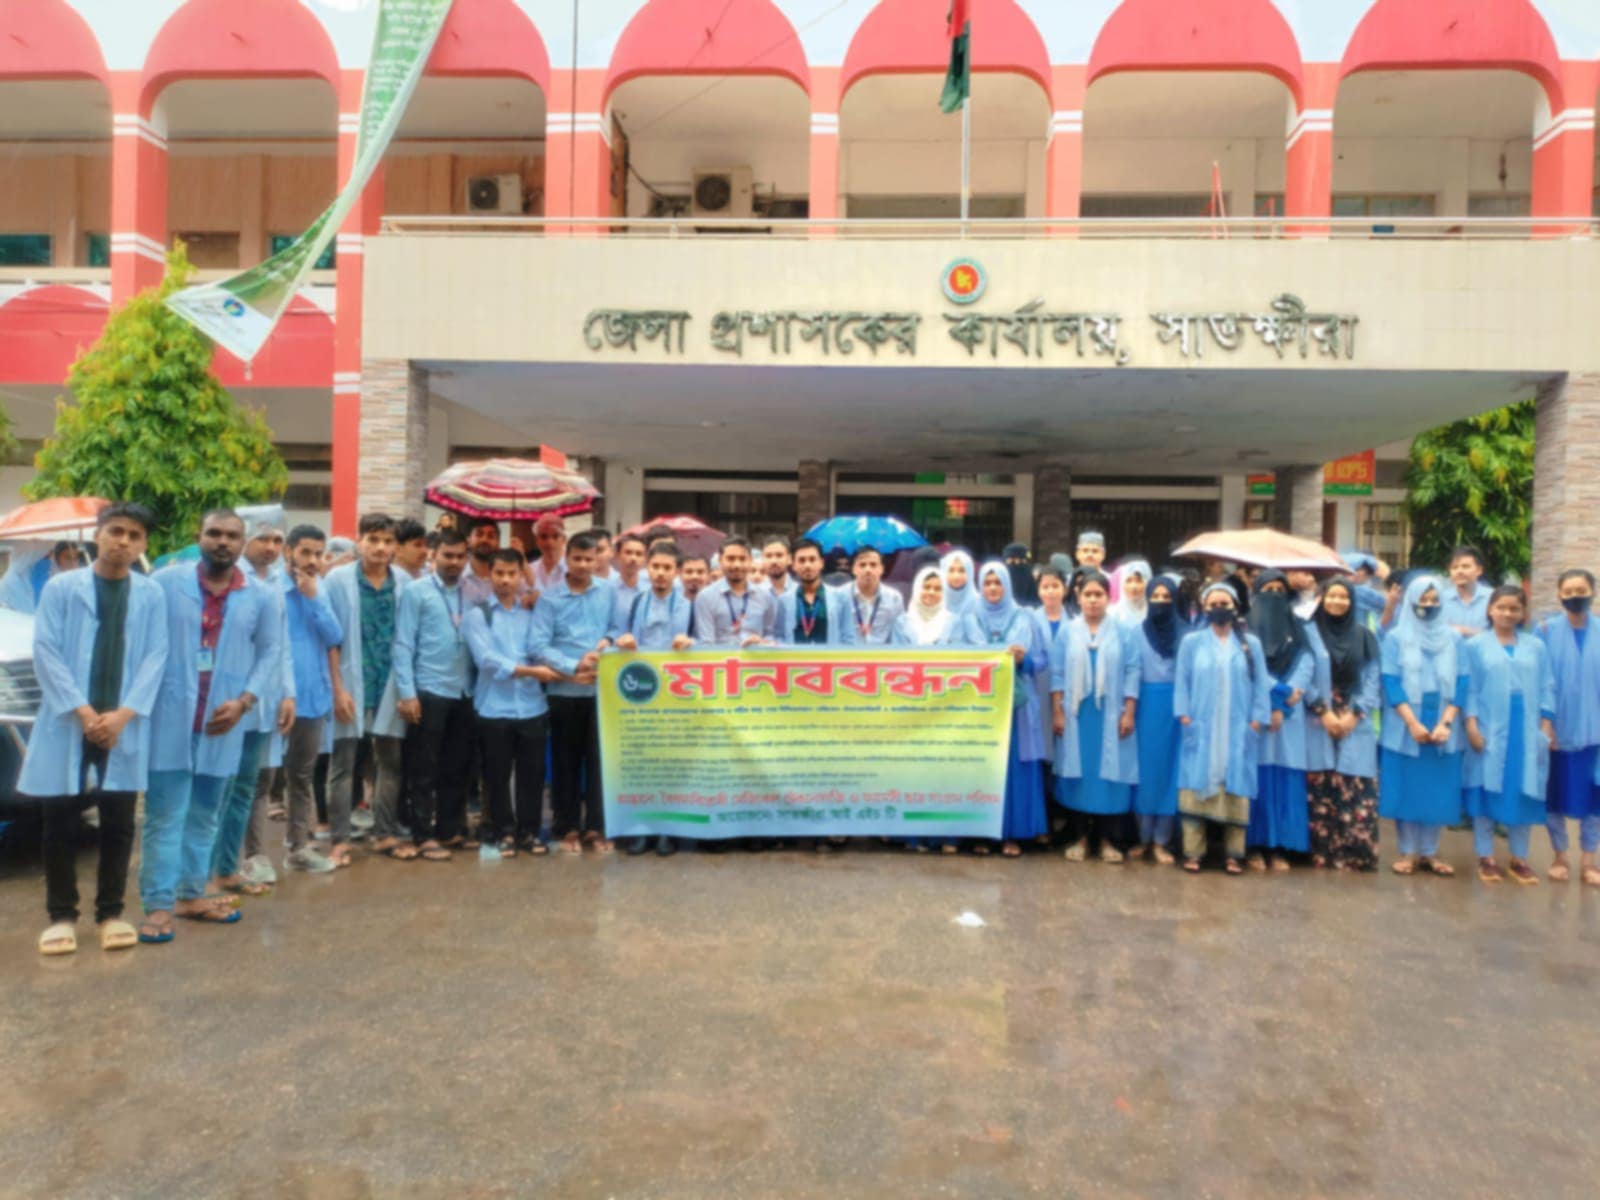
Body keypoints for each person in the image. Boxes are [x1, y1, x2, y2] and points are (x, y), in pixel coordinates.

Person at [28, 503, 167, 956]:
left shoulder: (150, 594)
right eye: (115, 531)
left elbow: (156, 656)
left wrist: (124, 714)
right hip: (70, 720)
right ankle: (61, 917)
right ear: (97, 534)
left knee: (119, 823)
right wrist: (86, 713)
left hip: (122, 725)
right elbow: (46, 651)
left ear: (143, 544)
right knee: (59, 822)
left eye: (134, 535)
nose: (123, 541)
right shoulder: (61, 588)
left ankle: (110, 913)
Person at [142, 509, 281, 942]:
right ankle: (158, 905)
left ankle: (190, 894)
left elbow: (271, 652)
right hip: (170, 719)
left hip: (224, 722)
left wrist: (244, 702)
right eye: (214, 533)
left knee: (205, 814)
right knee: (165, 816)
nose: (223, 541)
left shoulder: (260, 596)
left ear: (242, 543)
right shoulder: (166, 583)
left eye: (232, 535)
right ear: (199, 536)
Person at [209, 515, 298, 894]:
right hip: (228, 702)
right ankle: (204, 874)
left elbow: (280, 645)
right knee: (218, 788)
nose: (271, 547)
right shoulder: (230, 578)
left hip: (264, 702)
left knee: (246, 787)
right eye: (263, 539)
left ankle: (229, 868)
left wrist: (288, 693)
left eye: (278, 540)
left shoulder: (277, 581)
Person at [326, 514, 412, 860]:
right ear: (359, 541)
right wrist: (337, 689)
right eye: (373, 539)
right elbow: (330, 639)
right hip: (351, 680)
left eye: (388, 541)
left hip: (390, 681)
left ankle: (384, 833)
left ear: (396, 547)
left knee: (390, 761)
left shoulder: (404, 582)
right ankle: (339, 838)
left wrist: (408, 689)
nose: (380, 548)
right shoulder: (338, 580)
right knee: (343, 763)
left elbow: (408, 637)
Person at [259, 525, 344, 873]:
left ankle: (298, 848)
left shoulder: (319, 589)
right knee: (262, 778)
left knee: (302, 776)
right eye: (305, 552)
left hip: (312, 696)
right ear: (289, 552)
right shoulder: (270, 589)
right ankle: (252, 856)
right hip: (274, 698)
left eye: (318, 554)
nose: (312, 560)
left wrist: (314, 598)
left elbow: (335, 636)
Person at [1173, 582, 1272, 875]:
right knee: (1196, 783)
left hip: (1238, 727)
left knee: (1236, 784)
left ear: (1235, 607)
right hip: (1201, 726)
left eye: (1224, 604)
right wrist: (1184, 716)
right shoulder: (1191, 642)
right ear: (1204, 607)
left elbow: (1261, 684)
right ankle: (1193, 852)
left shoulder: (1250, 644)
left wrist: (1257, 720)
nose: (1219, 609)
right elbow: (1182, 682)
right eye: (1213, 604)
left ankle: (1234, 854)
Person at [464, 548, 555, 859]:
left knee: (533, 775)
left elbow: (541, 649)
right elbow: (486, 660)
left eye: (512, 573)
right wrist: (530, 672)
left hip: (532, 706)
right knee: (497, 775)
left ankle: (529, 831)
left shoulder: (532, 612)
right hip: (494, 708)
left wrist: (571, 669)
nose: (505, 580)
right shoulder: (478, 615)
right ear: (489, 574)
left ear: (521, 576)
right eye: (499, 573)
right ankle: (504, 830)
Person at [529, 531, 616, 853]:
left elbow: (616, 629)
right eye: (576, 558)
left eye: (588, 559)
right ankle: (566, 827)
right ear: (567, 559)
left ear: (597, 560)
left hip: (600, 693)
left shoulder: (607, 591)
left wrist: (607, 643)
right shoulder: (550, 599)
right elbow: (537, 646)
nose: (582, 564)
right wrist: (573, 665)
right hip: (563, 691)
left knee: (599, 762)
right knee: (565, 763)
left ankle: (596, 826)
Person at [1464, 585, 1556, 885]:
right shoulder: (1475, 646)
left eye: (1514, 608)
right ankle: (1486, 857)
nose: (1507, 613)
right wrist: (1471, 725)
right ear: (1490, 609)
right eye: (1501, 607)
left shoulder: (1536, 646)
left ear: (1523, 612)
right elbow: (1469, 689)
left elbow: (1547, 686)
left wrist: (1546, 726)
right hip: (1489, 726)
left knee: (1524, 789)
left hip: (1527, 729)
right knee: (1485, 790)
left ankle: (1520, 858)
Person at [1378, 574, 1468, 878]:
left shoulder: (1454, 639)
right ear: (1411, 601)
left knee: (1436, 786)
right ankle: (1407, 851)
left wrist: (1446, 722)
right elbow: (1390, 682)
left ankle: (1430, 852)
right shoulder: (1396, 638)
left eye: (1434, 600)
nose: (1428, 605)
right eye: (1422, 599)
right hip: (1405, 720)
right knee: (1406, 786)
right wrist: (1412, 723)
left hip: (1443, 718)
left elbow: (1462, 682)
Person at [393, 527, 475, 859]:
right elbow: (403, 643)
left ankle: (449, 829)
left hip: (465, 690)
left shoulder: (472, 592)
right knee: (423, 768)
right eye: (447, 555)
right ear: (434, 555)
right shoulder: (416, 592)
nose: (454, 562)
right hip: (429, 689)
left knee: (456, 767)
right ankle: (422, 834)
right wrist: (407, 692)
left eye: (460, 556)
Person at [611, 543, 695, 856]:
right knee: (642, 764)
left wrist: (690, 642)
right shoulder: (636, 602)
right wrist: (623, 641)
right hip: (642, 692)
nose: (660, 574)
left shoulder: (688, 605)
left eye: (667, 568)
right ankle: (641, 829)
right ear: (648, 567)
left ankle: (667, 830)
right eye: (656, 567)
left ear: (677, 572)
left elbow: (703, 644)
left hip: (675, 693)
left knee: (670, 764)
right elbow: (619, 637)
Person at [1051, 570, 1139, 864]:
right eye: (1087, 594)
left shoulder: (1123, 631)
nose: (1092, 600)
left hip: (1111, 715)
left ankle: (1106, 840)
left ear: (1108, 597)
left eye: (1098, 594)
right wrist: (1057, 712)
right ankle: (1079, 837)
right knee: (1079, 775)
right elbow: (1057, 674)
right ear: (1078, 597)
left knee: (1110, 778)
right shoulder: (1068, 632)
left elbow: (1133, 671)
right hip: (1077, 715)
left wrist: (1129, 712)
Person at [962, 562, 1049, 857]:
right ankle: (983, 834)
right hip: (982, 706)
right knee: (984, 767)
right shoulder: (970, 618)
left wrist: (1024, 660)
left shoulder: (1025, 617)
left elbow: (1042, 660)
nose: (993, 588)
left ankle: (1014, 833)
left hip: (1018, 707)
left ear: (1007, 585)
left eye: (998, 582)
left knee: (1015, 767)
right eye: (987, 583)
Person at [1303, 578, 1381, 871]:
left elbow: (1373, 678)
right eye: (1332, 595)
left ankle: (1355, 854)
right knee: (1320, 781)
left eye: (1344, 597)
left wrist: (1354, 713)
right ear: (1322, 599)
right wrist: (1323, 711)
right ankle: (1321, 852)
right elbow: (1303, 674)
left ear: (1352, 602)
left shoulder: (1364, 636)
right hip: (1318, 715)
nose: (1337, 602)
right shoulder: (1308, 633)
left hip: (1354, 715)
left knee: (1354, 781)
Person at [1245, 570, 1313, 872]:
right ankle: (1254, 847)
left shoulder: (1300, 628)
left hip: (1289, 720)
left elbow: (1307, 663)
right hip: (1257, 715)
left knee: (1285, 780)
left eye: (1279, 589)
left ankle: (1281, 847)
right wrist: (1273, 703)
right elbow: (1251, 669)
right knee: (1256, 780)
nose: (1273, 595)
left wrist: (1282, 706)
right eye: (1267, 589)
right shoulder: (1244, 629)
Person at [1537, 569, 1600, 885]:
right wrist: (1545, 724)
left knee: (1594, 799)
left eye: (1581, 590)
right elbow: (1539, 681)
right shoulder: (1545, 631)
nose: (1576, 596)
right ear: (1559, 595)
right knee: (1555, 797)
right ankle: (1560, 856)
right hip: (1557, 731)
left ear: (1593, 592)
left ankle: (1589, 862)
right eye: (1569, 591)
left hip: (1595, 733)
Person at [1128, 575, 1183, 864]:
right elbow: (1131, 671)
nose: (1161, 602)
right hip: (1145, 707)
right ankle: (1142, 837)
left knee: (1170, 772)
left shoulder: (1186, 634)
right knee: (1145, 772)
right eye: (1156, 597)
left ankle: (1162, 840)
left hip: (1176, 709)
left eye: (1167, 597)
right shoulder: (1136, 632)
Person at [693, 537, 773, 648]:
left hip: (755, 657)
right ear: (720, 561)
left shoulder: (765, 596)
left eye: (742, 559)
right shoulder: (705, 597)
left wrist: (762, 642)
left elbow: (771, 635)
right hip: (720, 658)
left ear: (750, 560)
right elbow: (706, 642)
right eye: (730, 559)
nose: (736, 565)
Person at [774, 537, 852, 646]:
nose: (807, 565)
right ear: (793, 565)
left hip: (829, 657)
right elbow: (779, 637)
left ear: (821, 563)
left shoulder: (840, 598)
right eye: (801, 560)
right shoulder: (784, 600)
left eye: (812, 559)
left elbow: (848, 638)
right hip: (795, 657)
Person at [847, 547, 904, 645]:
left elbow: (899, 634)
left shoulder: (894, 598)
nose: (868, 570)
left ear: (882, 569)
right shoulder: (841, 596)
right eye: (862, 565)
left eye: (873, 565)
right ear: (853, 569)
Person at [892, 565, 959, 646]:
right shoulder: (901, 623)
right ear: (917, 589)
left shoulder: (954, 623)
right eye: (926, 587)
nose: (931, 592)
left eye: (937, 589)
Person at [1441, 545, 1492, 638]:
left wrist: (1466, 631)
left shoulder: (1492, 598)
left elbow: (1502, 634)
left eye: (1465, 567)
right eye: (1454, 567)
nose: (1459, 571)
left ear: (1479, 570)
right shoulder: (1440, 600)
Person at [457, 517, 501, 606]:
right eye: (479, 534)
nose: (484, 540)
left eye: (491, 536)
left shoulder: (505, 578)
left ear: (498, 543)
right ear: (468, 540)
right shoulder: (457, 576)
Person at [611, 532, 648, 615]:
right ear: (617, 555)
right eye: (628, 552)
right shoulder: (608, 589)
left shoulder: (651, 589)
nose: (633, 558)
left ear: (645, 559)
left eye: (639, 554)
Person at [530, 514, 567, 596]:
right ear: (537, 541)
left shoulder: (573, 569)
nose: (549, 542)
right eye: (544, 537)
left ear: (564, 539)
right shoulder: (531, 569)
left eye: (555, 536)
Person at [1110, 560, 1151, 627]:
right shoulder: (1112, 614)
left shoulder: (1154, 614)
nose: (1133, 587)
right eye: (1128, 581)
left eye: (1139, 581)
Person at [941, 550, 978, 620]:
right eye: (951, 570)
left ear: (970, 573)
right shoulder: (936, 600)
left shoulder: (979, 604)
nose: (956, 576)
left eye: (962, 571)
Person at [680, 554, 710, 639]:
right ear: (680, 574)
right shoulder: (673, 605)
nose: (694, 576)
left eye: (700, 572)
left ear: (708, 575)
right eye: (689, 572)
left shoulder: (715, 604)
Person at [759, 536, 793, 603]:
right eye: (768, 556)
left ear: (789, 559)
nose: (774, 561)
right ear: (762, 559)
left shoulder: (801, 592)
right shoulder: (754, 594)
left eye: (779, 555)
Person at [1003, 542, 1037, 606]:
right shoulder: (998, 577)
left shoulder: (1034, 577)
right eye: (1012, 561)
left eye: (1022, 561)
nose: (1017, 563)